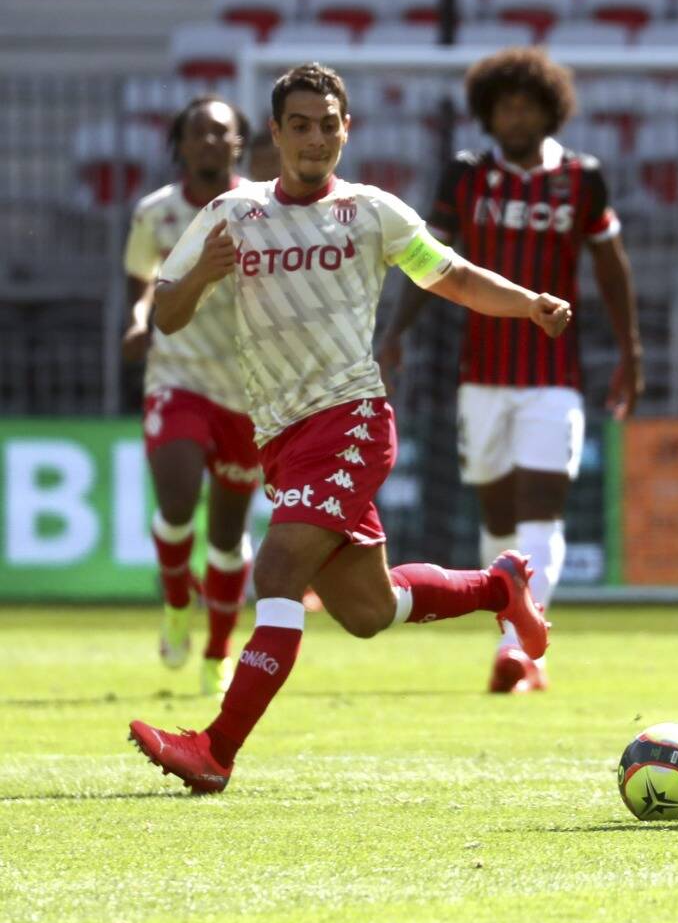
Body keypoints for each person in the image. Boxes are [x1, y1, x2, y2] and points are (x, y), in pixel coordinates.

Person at [127, 62, 570, 794]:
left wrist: (527, 303)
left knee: (274, 573)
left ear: (345, 130)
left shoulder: (371, 211)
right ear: (274, 134)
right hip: (280, 437)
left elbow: (452, 275)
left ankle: (215, 750)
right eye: (298, 125)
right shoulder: (231, 216)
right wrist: (204, 273)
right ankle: (499, 588)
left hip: (352, 418)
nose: (314, 139)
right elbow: (168, 316)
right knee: (369, 610)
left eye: (327, 125)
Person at [377, 47, 641, 694]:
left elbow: (610, 266)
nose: (516, 116)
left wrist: (631, 350)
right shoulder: (465, 178)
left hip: (553, 374)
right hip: (481, 376)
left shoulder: (583, 178)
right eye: (504, 106)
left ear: (551, 109)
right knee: (496, 517)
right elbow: (429, 262)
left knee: (540, 512)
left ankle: (521, 650)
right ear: (486, 114)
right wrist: (394, 333)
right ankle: (513, 624)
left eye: (527, 104)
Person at [122, 97, 258, 697]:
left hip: (248, 390)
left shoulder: (261, 208)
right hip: (177, 377)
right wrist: (135, 320)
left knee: (227, 537)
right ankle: (178, 600)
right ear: (179, 143)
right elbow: (144, 283)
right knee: (178, 502)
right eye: (197, 132)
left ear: (239, 143)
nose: (208, 140)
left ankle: (219, 649)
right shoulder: (155, 212)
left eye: (220, 132)